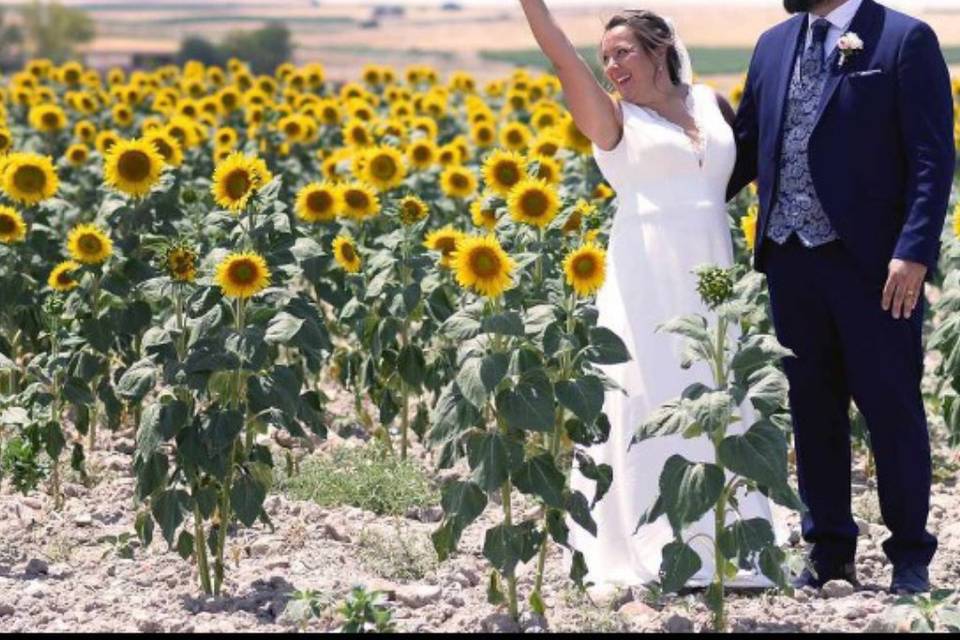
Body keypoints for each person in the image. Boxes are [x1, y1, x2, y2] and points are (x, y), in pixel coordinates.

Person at [518, 0, 785, 590]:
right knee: (647, 392)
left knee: (717, 391)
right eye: (605, 57)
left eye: (623, 52)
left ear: (660, 49)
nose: (611, 66)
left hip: (714, 270)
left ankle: (724, 542)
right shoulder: (614, 121)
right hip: (644, 274)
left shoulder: (712, 103)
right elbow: (561, 58)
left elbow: (760, 167)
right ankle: (649, 543)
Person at [727, 0, 955, 594]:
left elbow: (933, 157)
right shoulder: (772, 44)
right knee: (812, 410)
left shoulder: (904, 39)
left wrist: (914, 250)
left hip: (876, 266)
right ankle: (829, 552)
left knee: (891, 409)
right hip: (788, 259)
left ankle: (910, 556)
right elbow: (745, 146)